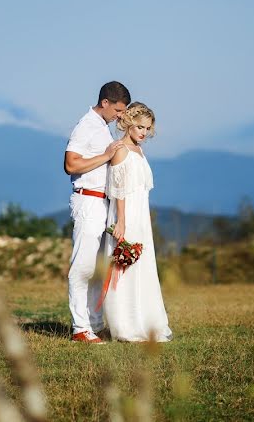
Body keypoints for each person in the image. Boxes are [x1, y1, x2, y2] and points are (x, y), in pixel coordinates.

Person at [64, 81, 131, 343]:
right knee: (82, 266)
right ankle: (79, 328)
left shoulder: (101, 127)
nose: (120, 116)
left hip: (102, 204)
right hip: (88, 202)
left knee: (97, 268)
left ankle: (93, 322)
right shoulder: (86, 126)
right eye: (118, 110)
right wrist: (105, 156)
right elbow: (71, 164)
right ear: (105, 103)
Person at [102, 102, 172, 342]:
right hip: (126, 214)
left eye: (147, 128)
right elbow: (119, 189)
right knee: (124, 266)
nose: (143, 132)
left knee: (142, 266)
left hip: (141, 214)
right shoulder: (120, 149)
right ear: (129, 124)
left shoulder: (140, 151)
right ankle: (123, 324)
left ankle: (144, 318)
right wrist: (121, 222)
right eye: (140, 127)